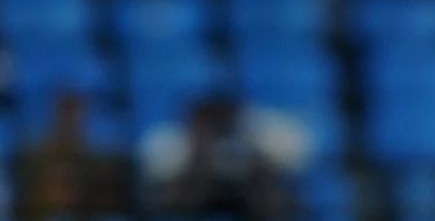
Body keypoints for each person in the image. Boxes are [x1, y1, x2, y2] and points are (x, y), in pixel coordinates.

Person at [138, 94, 311, 217]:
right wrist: (200, 159)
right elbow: (167, 202)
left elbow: (281, 196)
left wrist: (256, 158)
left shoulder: (261, 138)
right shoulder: (171, 144)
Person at [15, 92, 127, 218]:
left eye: (76, 115)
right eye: (65, 114)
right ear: (55, 116)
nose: (71, 121)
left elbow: (108, 200)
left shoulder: (98, 160)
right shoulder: (35, 157)